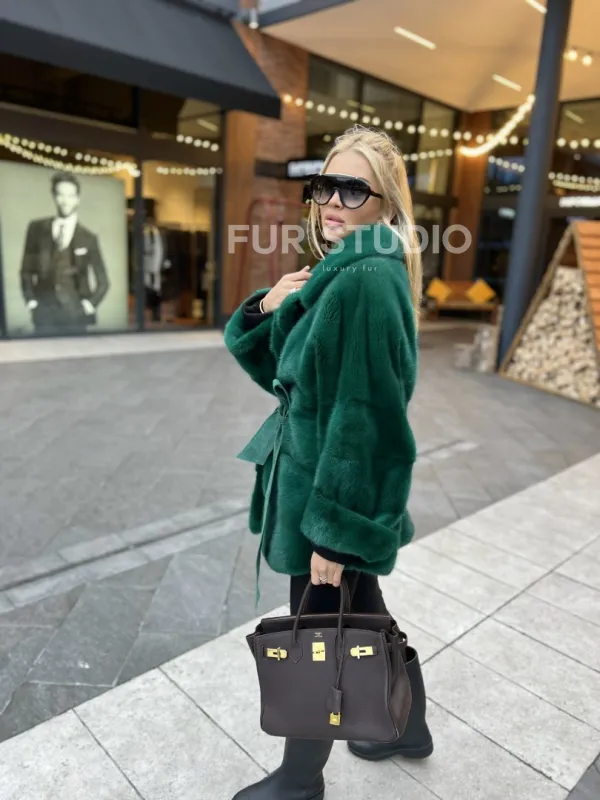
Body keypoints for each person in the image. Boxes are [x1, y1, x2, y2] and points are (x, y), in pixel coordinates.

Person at [224, 125, 433, 800]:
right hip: (318, 483)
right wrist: (269, 306)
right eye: (324, 185)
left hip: (327, 495)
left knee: (317, 632)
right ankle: (407, 729)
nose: (333, 201)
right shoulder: (340, 272)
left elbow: (370, 418)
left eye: (352, 188)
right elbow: (290, 377)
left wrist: (336, 536)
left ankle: (299, 780)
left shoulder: (365, 281)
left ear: (386, 203)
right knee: (362, 611)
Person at [20, 171, 109, 334]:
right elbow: (26, 270)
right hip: (44, 313)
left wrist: (88, 306)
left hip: (76, 314)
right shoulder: (37, 229)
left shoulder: (88, 238)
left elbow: (103, 282)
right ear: (54, 196)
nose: (65, 201)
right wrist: (31, 302)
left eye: (70, 195)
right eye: (60, 195)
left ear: (77, 199)